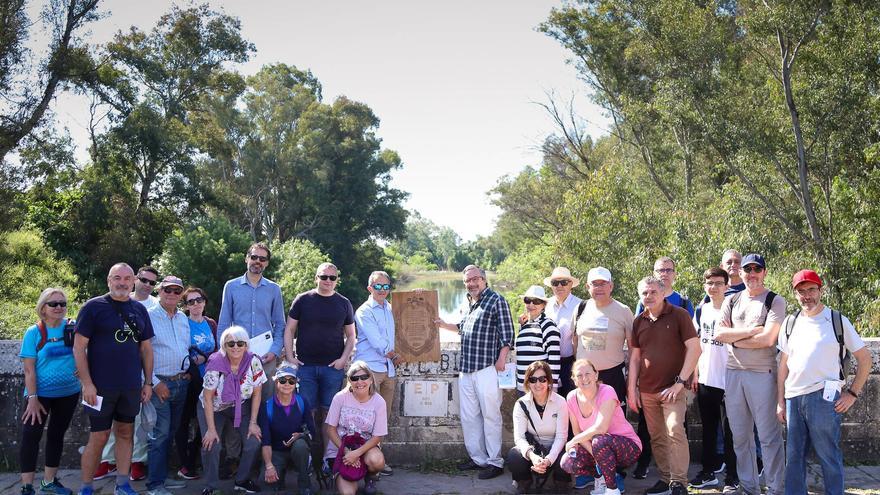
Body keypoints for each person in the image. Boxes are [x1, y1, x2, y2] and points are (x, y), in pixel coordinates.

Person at [777, 270, 872, 495]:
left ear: (821, 290)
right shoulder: (790, 323)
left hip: (824, 398)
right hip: (793, 398)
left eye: (811, 290)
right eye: (801, 291)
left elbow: (865, 359)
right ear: (795, 294)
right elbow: (783, 366)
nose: (807, 295)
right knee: (794, 459)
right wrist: (779, 401)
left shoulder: (837, 320)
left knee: (828, 456)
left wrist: (853, 393)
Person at [74, 263, 155, 495]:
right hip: (99, 387)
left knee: (125, 433)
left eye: (127, 278)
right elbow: (79, 348)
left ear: (133, 282)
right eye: (117, 277)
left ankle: (122, 484)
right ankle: (86, 487)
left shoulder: (139, 310)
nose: (122, 282)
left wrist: (148, 382)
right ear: (109, 280)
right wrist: (87, 383)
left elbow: (146, 349)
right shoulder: (93, 307)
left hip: (130, 386)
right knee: (98, 437)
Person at [714, 254, 787, 495]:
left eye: (757, 269)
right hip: (733, 374)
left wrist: (735, 339)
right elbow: (719, 334)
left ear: (764, 272)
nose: (752, 274)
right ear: (741, 273)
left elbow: (768, 339)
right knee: (739, 437)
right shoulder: (732, 300)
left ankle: (776, 488)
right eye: (748, 269)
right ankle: (748, 487)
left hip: (762, 374)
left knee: (768, 438)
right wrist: (750, 332)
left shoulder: (774, 301)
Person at [435, 264, 514, 480]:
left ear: (484, 279)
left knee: (491, 415)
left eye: (475, 279)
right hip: (467, 369)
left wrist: (502, 358)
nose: (471, 284)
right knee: (469, 417)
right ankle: (478, 459)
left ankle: (495, 462)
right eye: (468, 281)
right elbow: (462, 327)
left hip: (487, 368)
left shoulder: (496, 300)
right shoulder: (471, 303)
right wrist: (442, 324)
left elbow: (507, 333)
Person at [628, 276, 700, 495]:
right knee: (657, 436)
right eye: (644, 293)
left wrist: (680, 383)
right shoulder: (638, 321)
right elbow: (635, 359)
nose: (648, 296)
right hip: (648, 390)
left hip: (673, 389)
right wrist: (632, 390)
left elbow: (695, 349)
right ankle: (666, 479)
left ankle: (679, 482)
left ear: (662, 293)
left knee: (674, 429)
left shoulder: (680, 315)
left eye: (653, 292)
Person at [284, 262, 356, 466]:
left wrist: (343, 360)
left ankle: (327, 458)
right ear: (316, 278)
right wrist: (290, 357)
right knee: (307, 412)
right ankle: (305, 457)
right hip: (305, 367)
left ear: (336, 280)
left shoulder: (344, 303)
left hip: (332, 369)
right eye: (324, 277)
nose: (327, 281)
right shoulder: (303, 300)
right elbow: (289, 330)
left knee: (329, 415)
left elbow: (351, 336)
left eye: (332, 278)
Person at [95, 265, 158, 482]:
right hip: (109, 374)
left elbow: (149, 346)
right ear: (135, 280)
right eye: (144, 280)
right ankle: (107, 461)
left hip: (139, 372)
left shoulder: (154, 306)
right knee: (106, 425)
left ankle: (136, 462)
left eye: (152, 282)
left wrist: (150, 380)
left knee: (134, 424)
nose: (148, 285)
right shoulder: (115, 299)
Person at [572, 267, 634, 490]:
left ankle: (614, 473)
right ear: (587, 287)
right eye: (594, 284)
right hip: (584, 378)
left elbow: (634, 349)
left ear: (611, 286)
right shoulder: (581, 308)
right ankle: (589, 469)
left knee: (611, 427)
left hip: (611, 376)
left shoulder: (623, 311)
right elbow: (574, 342)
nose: (598, 288)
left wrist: (632, 383)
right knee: (583, 422)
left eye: (602, 284)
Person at [19, 288, 80, 495]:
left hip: (68, 393)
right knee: (31, 437)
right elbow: (29, 369)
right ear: (43, 308)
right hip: (40, 394)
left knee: (56, 435)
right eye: (53, 304)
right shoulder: (34, 332)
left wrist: (81, 368)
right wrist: (33, 399)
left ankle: (49, 482)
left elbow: (83, 353)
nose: (59, 307)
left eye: (62, 303)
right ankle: (27, 486)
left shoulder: (73, 327)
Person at [199, 326, 266, 495]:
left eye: (240, 343)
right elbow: (207, 398)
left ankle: (242, 480)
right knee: (211, 443)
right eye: (231, 344)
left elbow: (257, 393)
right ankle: (211, 487)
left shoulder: (253, 361)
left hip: (240, 406)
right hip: (213, 407)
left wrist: (253, 423)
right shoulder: (215, 364)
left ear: (246, 345)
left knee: (254, 440)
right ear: (224, 346)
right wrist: (211, 430)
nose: (236, 347)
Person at [689, 267, 739, 492]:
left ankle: (732, 477)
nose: (713, 287)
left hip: (730, 379)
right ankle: (708, 472)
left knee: (732, 432)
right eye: (709, 283)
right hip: (707, 379)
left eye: (719, 283)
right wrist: (695, 373)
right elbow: (696, 345)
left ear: (727, 286)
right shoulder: (702, 310)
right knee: (709, 429)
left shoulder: (735, 310)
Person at [562, 359, 642, 495]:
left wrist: (573, 441)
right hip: (598, 448)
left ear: (596, 375)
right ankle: (601, 477)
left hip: (627, 447)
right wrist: (598, 458)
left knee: (599, 440)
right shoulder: (571, 397)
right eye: (579, 375)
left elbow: (601, 429)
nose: (584, 378)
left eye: (588, 373)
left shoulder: (607, 391)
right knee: (568, 462)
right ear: (574, 379)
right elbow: (577, 431)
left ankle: (612, 489)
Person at [218, 242, 286, 394]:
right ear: (246, 258)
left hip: (266, 357)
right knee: (239, 401)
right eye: (254, 257)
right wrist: (223, 353)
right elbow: (223, 323)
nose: (258, 261)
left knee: (265, 402)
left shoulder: (274, 289)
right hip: (237, 354)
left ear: (267, 263)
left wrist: (274, 351)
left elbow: (280, 324)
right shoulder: (231, 286)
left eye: (262, 259)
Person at [145, 276, 192, 495]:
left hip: (180, 383)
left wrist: (187, 371)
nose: (172, 294)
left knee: (171, 432)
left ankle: (162, 477)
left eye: (177, 290)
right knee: (159, 434)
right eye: (168, 290)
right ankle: (154, 485)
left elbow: (184, 348)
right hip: (160, 384)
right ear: (160, 291)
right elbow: (140, 354)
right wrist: (154, 383)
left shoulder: (183, 317)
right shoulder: (149, 316)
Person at [353, 270, 400, 476]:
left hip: (388, 369)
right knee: (365, 419)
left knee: (382, 419)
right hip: (370, 369)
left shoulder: (390, 308)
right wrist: (395, 355)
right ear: (370, 288)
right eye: (378, 286)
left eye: (386, 286)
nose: (382, 290)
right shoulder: (364, 311)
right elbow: (376, 341)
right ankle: (363, 462)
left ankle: (377, 461)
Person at [324, 361, 388, 495]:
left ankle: (370, 477)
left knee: (377, 461)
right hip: (341, 448)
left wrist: (356, 453)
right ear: (350, 381)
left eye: (364, 377)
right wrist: (347, 452)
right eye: (355, 378)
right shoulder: (340, 398)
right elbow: (330, 429)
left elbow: (378, 436)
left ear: (371, 379)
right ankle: (339, 474)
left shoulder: (379, 402)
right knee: (348, 493)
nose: (360, 382)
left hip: (365, 447)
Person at [507, 361, 569, 494]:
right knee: (514, 455)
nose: (538, 384)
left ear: (549, 382)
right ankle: (525, 482)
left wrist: (548, 459)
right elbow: (520, 438)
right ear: (528, 383)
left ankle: (561, 484)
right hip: (533, 450)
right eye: (533, 379)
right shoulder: (521, 404)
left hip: (555, 450)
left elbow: (561, 437)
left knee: (567, 457)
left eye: (542, 379)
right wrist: (533, 457)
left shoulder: (560, 402)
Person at [175, 287, 218, 481]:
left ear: (205, 302)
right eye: (190, 302)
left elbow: (218, 350)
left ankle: (194, 458)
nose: (195, 304)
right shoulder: (182, 323)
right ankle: (185, 464)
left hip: (209, 381)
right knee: (183, 422)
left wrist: (206, 357)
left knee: (205, 424)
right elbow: (178, 349)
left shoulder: (211, 324)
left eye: (198, 300)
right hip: (190, 380)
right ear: (185, 306)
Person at [258, 366, 316, 495]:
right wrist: (269, 466)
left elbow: (312, 431)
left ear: (296, 383)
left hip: (297, 450)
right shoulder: (267, 406)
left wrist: (300, 435)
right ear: (276, 382)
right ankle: (280, 473)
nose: (287, 384)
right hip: (276, 451)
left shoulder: (302, 402)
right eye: (283, 380)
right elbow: (266, 440)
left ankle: (304, 483)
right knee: (269, 484)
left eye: (291, 381)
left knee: (301, 446)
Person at [543, 267, 583, 397]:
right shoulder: (545, 305)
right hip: (547, 363)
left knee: (570, 402)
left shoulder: (580, 306)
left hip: (569, 364)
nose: (559, 286)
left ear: (571, 284)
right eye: (555, 283)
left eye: (564, 282)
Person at [514, 286, 561, 393]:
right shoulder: (525, 325)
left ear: (544, 305)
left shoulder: (548, 326)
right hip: (522, 387)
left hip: (540, 388)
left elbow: (554, 359)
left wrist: (552, 388)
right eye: (528, 300)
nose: (531, 304)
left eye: (536, 301)